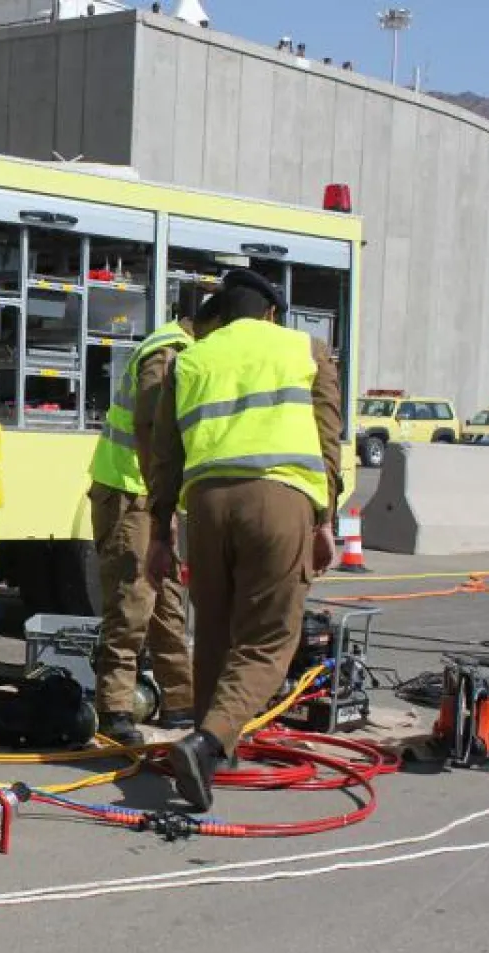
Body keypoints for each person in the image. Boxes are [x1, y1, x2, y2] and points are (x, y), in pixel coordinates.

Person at [146, 269, 343, 811]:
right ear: (271, 313)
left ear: (225, 314)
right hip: (278, 499)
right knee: (268, 640)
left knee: (212, 631)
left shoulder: (191, 358)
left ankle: (212, 754)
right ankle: (209, 741)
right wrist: (325, 522)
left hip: (206, 505)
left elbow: (166, 455)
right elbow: (328, 441)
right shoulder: (306, 349)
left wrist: (161, 533)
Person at [86, 305, 209, 746]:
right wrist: (162, 510)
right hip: (129, 491)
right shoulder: (168, 351)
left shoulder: (187, 349)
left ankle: (180, 701)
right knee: (133, 600)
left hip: (153, 495)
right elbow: (152, 429)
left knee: (168, 601)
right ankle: (115, 708)